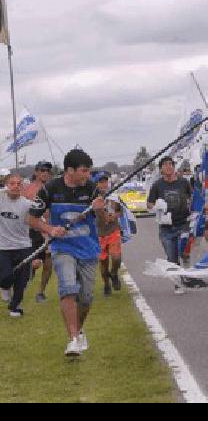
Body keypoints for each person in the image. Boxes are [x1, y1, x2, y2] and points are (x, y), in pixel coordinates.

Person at [29, 149, 106, 356]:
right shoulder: (50, 189)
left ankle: (79, 330)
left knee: (86, 298)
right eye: (84, 171)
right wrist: (51, 229)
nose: (87, 176)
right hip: (62, 248)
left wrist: (99, 209)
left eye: (89, 171)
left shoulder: (91, 189)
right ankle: (72, 340)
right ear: (69, 170)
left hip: (88, 249)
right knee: (68, 289)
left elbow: (103, 222)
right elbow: (32, 218)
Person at [147, 156, 192, 294]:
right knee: (172, 258)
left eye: (170, 164)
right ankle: (178, 284)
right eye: (165, 165)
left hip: (183, 224)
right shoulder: (157, 185)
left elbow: (192, 197)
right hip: (166, 227)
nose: (168, 167)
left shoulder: (183, 182)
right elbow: (149, 204)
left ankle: (186, 265)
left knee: (183, 251)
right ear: (161, 169)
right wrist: (157, 208)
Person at [0, 175, 43, 317]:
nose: (15, 186)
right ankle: (5, 286)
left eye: (18, 184)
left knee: (22, 280)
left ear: (22, 186)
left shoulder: (27, 204)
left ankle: (15, 306)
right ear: (6, 185)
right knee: (5, 277)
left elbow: (38, 223)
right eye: (12, 183)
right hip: (3, 247)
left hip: (23, 246)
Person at [24, 161, 54, 303]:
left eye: (48, 170)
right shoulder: (27, 189)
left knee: (48, 263)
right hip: (32, 231)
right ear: (36, 172)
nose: (45, 173)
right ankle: (24, 280)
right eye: (42, 170)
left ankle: (41, 292)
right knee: (34, 263)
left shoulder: (53, 189)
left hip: (48, 230)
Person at [94, 173, 123, 297]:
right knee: (103, 261)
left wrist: (113, 216)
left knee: (116, 257)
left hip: (113, 231)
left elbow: (120, 212)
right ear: (96, 184)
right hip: (99, 234)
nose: (104, 184)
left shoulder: (114, 196)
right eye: (101, 182)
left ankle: (114, 273)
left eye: (105, 181)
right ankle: (106, 284)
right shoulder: (92, 198)